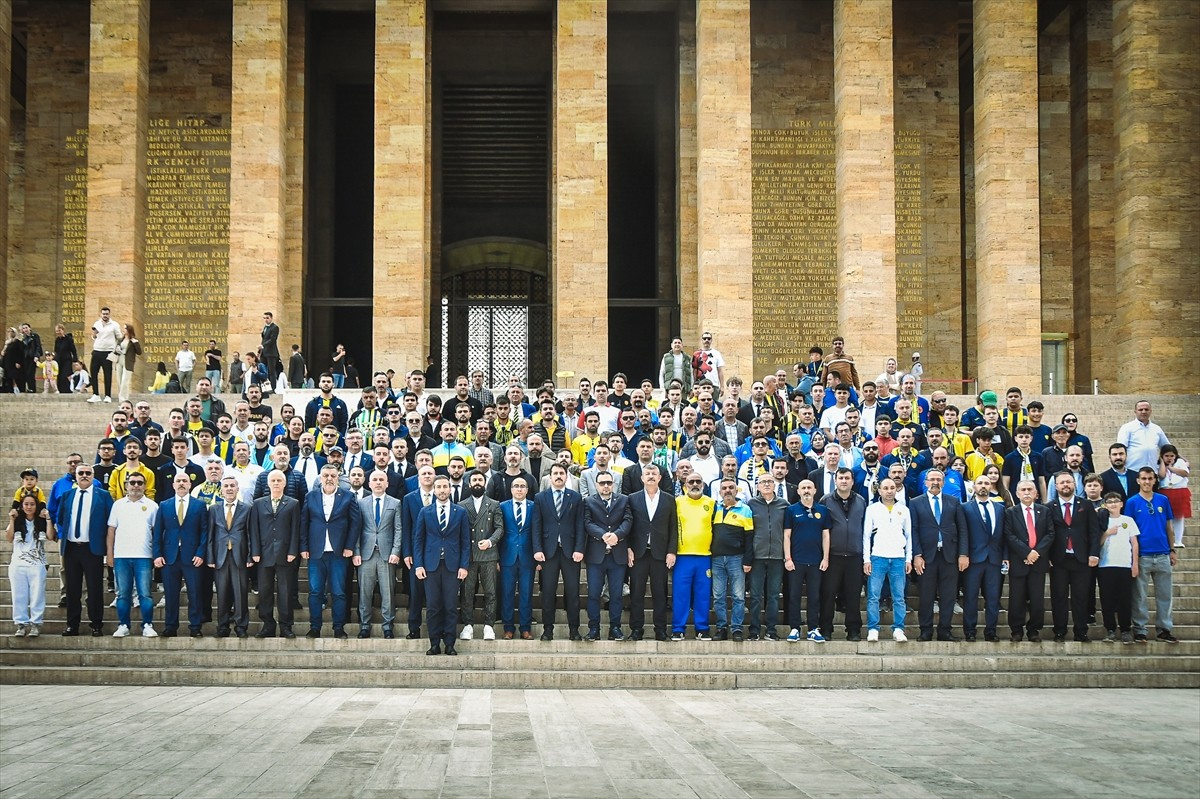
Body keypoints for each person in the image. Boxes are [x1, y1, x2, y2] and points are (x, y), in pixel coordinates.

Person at [301, 464, 363, 638]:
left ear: (338, 478)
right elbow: (304, 523)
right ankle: (315, 627)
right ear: (320, 477)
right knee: (315, 591)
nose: (329, 478)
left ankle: (338, 627)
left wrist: (350, 547)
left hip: (339, 553)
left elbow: (355, 524)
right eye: (326, 475)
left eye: (333, 476)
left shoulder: (348, 497)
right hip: (315, 552)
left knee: (339, 591)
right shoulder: (310, 496)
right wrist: (304, 547)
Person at [412, 474, 470, 655]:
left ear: (450, 489)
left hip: (453, 566)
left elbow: (465, 541)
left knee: (451, 605)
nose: (443, 490)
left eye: (445, 487)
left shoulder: (460, 512)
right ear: (434, 490)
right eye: (439, 487)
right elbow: (418, 540)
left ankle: (450, 643)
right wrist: (419, 565)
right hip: (431, 566)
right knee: (433, 606)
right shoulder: (425, 512)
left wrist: (464, 566)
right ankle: (435, 642)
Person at [909, 470, 969, 641]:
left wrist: (963, 553)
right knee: (926, 595)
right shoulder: (915, 503)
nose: (935, 482)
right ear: (925, 482)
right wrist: (917, 554)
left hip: (950, 555)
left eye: (938, 479)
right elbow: (913, 531)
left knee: (949, 596)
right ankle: (925, 630)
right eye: (932, 479)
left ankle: (945, 630)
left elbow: (962, 529)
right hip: (927, 556)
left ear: (943, 482)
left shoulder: (954, 501)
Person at [532, 463, 585, 641]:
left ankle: (574, 630)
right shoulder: (540, 497)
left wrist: (579, 549)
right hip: (548, 552)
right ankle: (548, 630)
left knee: (573, 591)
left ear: (566, 476)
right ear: (550, 477)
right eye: (555, 473)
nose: (558, 476)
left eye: (561, 473)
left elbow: (580, 525)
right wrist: (537, 549)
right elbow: (536, 526)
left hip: (571, 552)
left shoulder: (576, 498)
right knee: (548, 592)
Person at [1047, 470, 1102, 643]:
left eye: (1068, 482)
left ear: (1074, 485)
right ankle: (1059, 631)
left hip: (1082, 559)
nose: (1065, 485)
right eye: (1062, 482)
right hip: (1058, 560)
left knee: (1081, 597)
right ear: (1056, 486)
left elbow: (1094, 532)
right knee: (1059, 597)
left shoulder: (1085, 505)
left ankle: (1081, 631)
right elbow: (1047, 534)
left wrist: (1094, 553)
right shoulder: (1049, 507)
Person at [153, 473, 209, 638]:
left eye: (185, 481)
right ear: (173, 485)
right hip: (169, 557)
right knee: (170, 593)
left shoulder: (199, 505)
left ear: (190, 484)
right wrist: (157, 554)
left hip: (192, 557)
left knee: (195, 593)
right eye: (178, 481)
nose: (182, 483)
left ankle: (195, 627)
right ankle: (171, 626)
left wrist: (201, 553)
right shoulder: (164, 505)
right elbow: (157, 531)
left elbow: (204, 531)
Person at [1126, 467, 1178, 644]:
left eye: (1150, 478)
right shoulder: (1132, 502)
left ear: (1155, 480)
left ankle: (1164, 629)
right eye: (1143, 478)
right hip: (1142, 556)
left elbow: (1169, 527)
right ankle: (1140, 629)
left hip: (1163, 554)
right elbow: (1129, 532)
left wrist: (1172, 550)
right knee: (1139, 595)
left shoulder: (1163, 499)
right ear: (1138, 481)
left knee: (1165, 594)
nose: (1147, 482)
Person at [106, 472, 159, 638]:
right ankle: (123, 625)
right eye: (132, 482)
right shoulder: (118, 505)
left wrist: (155, 554)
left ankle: (147, 625)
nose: (136, 486)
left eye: (140, 483)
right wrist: (110, 554)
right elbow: (111, 530)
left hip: (144, 556)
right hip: (121, 556)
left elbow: (156, 532)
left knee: (145, 593)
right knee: (123, 594)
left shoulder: (152, 506)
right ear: (126, 485)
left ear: (144, 485)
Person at [583, 472, 632, 641]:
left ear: (613, 484)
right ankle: (594, 628)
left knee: (617, 594)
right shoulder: (589, 501)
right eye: (602, 483)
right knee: (594, 593)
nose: (606, 486)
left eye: (609, 483)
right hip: (596, 555)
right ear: (596, 485)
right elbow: (587, 522)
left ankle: (615, 628)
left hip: (617, 555)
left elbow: (627, 520)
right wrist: (604, 535)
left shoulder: (624, 500)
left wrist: (617, 535)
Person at [819, 468, 866, 642]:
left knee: (853, 595)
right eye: (841, 478)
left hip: (855, 555)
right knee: (828, 593)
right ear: (835, 480)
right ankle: (825, 629)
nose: (844, 481)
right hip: (833, 555)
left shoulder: (861, 501)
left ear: (852, 481)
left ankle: (853, 630)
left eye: (847, 478)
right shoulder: (825, 500)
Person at [355, 470, 403, 639]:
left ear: (387, 483)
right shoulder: (361, 503)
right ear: (369, 483)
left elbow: (398, 529)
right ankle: (364, 625)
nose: (378, 482)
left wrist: (396, 551)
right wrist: (356, 551)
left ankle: (388, 626)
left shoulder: (395, 503)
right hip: (366, 554)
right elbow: (357, 530)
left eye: (381, 479)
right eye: (374, 479)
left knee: (388, 592)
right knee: (364, 592)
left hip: (386, 554)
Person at [1004, 480, 1053, 642]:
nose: (1026, 492)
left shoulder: (1044, 511)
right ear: (1017, 494)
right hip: (1019, 561)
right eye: (1023, 490)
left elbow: (1050, 534)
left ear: (1036, 493)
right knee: (1016, 599)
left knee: (1037, 599)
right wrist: (1026, 553)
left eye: (1030, 489)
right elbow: (1009, 535)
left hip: (1038, 562)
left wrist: (1036, 553)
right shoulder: (1010, 512)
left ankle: (1034, 630)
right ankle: (1016, 631)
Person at [863, 477, 911, 643]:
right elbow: (866, 536)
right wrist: (866, 559)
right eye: (885, 488)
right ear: (880, 490)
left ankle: (898, 628)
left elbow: (909, 536)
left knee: (898, 597)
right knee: (873, 596)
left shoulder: (904, 510)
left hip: (898, 557)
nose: (889, 490)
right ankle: (873, 628)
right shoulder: (872, 509)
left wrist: (908, 558)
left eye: (892, 487)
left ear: (896, 489)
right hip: (878, 557)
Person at [458, 468, 504, 642]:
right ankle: (468, 625)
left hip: (489, 554)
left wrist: (490, 541)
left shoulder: (494, 504)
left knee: (491, 592)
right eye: (474, 480)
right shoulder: (462, 505)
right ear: (469, 483)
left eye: (480, 480)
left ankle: (489, 626)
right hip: (468, 556)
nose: (477, 482)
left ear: (485, 483)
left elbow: (500, 527)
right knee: (467, 592)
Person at [960, 474, 1007, 642]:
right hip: (973, 560)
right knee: (971, 597)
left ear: (991, 486)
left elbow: (1004, 535)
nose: (983, 486)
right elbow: (963, 534)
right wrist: (963, 555)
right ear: (974, 486)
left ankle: (991, 631)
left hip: (994, 560)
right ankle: (970, 631)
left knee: (993, 598)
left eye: (986, 483)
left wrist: (1005, 557)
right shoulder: (965, 508)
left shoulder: (1000, 509)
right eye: (980, 483)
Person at [709, 478, 754, 642]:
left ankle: (737, 629)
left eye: (731, 488)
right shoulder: (715, 509)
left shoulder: (745, 509)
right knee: (718, 596)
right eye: (724, 488)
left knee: (738, 596)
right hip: (717, 559)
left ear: (736, 491)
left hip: (737, 558)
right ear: (720, 492)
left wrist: (748, 560)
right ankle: (721, 628)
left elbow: (750, 538)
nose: (727, 490)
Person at [672, 473, 715, 641]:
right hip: (682, 556)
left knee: (703, 594)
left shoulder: (711, 503)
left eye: (699, 481)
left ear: (703, 485)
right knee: (681, 594)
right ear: (685, 484)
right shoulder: (677, 502)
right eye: (691, 481)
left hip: (705, 556)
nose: (695, 484)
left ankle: (702, 628)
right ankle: (678, 628)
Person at [207, 476, 252, 638]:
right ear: (222, 489)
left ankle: (241, 626)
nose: (229, 488)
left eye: (232, 486)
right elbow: (211, 535)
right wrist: (210, 558)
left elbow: (249, 534)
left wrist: (250, 556)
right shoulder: (214, 509)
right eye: (226, 486)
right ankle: (223, 626)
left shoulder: (246, 509)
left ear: (237, 488)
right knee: (222, 593)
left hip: (239, 556)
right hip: (220, 557)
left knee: (240, 593)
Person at [746, 473, 788, 641]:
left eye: (770, 481)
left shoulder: (784, 505)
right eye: (763, 482)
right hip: (757, 557)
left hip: (777, 557)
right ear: (757, 486)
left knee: (773, 595)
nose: (766, 484)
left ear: (775, 484)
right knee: (756, 595)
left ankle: (771, 629)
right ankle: (754, 630)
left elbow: (788, 532)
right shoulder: (751, 504)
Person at [7, 496, 55, 637]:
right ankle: (21, 624)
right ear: (21, 506)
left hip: (37, 564)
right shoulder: (17, 521)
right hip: (18, 564)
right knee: (18, 595)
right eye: (26, 504)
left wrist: (48, 519)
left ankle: (36, 623)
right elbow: (9, 538)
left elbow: (51, 536)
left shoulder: (40, 521)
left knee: (37, 595)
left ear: (36, 506)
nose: (29, 507)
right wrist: (11, 519)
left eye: (32, 504)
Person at [497, 476, 538, 640]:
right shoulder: (502, 507)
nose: (519, 489)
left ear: (527, 490)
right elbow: (499, 532)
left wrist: (538, 557)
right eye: (516, 486)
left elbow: (537, 531)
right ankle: (508, 628)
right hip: (507, 556)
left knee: (526, 593)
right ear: (511, 489)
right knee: (507, 593)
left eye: (523, 486)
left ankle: (525, 628)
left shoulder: (534, 506)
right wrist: (498, 558)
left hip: (528, 557)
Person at [1097, 491, 1140, 644]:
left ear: (1122, 504)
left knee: (1124, 599)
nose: (1113, 504)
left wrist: (1135, 564)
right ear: (1105, 505)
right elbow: (1097, 543)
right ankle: (1110, 629)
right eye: (1109, 501)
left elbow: (1134, 543)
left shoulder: (1128, 520)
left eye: (1116, 501)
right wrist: (1107, 533)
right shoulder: (1102, 521)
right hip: (1105, 565)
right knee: (1107, 599)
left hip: (1124, 565)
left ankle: (1126, 629)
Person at [1117, 400, 1171, 472]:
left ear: (1150, 411)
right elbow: (1120, 449)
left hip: (1152, 472)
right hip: (1133, 471)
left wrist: (1183, 460)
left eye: (1146, 409)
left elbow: (1168, 448)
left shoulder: (1157, 429)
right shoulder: (1127, 428)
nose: (1143, 412)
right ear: (1135, 412)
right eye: (1140, 410)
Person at [87, 307, 122, 402]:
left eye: (107, 314)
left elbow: (119, 337)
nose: (105, 315)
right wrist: (94, 335)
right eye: (103, 314)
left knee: (107, 374)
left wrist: (117, 347)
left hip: (108, 351)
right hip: (97, 350)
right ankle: (95, 394)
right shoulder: (97, 323)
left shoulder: (114, 325)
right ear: (101, 314)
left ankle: (108, 395)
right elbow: (94, 336)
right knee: (93, 372)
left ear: (109, 314)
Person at [1158, 445, 1190, 549]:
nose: (1169, 458)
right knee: (1165, 517)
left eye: (1172, 455)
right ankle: (1166, 539)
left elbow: (1185, 473)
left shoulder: (1180, 463)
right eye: (1166, 455)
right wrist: (1162, 462)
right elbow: (1161, 475)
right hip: (1165, 491)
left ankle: (1178, 540)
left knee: (1179, 517)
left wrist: (1171, 468)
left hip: (1179, 490)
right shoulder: (1159, 464)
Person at [116, 324, 141, 403]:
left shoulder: (133, 341)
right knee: (119, 380)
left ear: (129, 330)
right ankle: (122, 397)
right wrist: (117, 349)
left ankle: (123, 400)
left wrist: (135, 343)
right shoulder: (121, 339)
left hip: (128, 362)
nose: (123, 330)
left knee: (124, 381)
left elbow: (139, 352)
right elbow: (116, 347)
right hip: (119, 360)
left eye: (125, 329)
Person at [53, 324, 78, 395]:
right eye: (56, 331)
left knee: (65, 376)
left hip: (67, 360)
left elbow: (73, 350)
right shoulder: (57, 340)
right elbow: (56, 351)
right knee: (59, 376)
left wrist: (74, 360)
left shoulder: (69, 339)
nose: (58, 332)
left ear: (63, 330)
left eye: (59, 330)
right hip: (58, 361)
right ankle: (60, 391)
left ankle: (67, 391)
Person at [1, 327, 25, 394]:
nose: (9, 333)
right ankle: (10, 390)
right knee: (8, 377)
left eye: (11, 331)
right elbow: (4, 352)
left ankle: (19, 390)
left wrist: (19, 362)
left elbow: (21, 353)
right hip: (7, 362)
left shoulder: (18, 342)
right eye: (8, 331)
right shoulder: (7, 342)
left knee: (16, 376)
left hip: (14, 362)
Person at [260, 312, 281, 382]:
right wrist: (259, 351)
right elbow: (263, 339)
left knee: (271, 371)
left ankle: (273, 387)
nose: (266, 320)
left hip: (271, 353)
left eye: (267, 318)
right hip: (264, 352)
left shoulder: (275, 327)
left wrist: (263, 345)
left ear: (271, 318)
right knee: (262, 370)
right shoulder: (265, 327)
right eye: (264, 318)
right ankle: (264, 387)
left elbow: (272, 340)